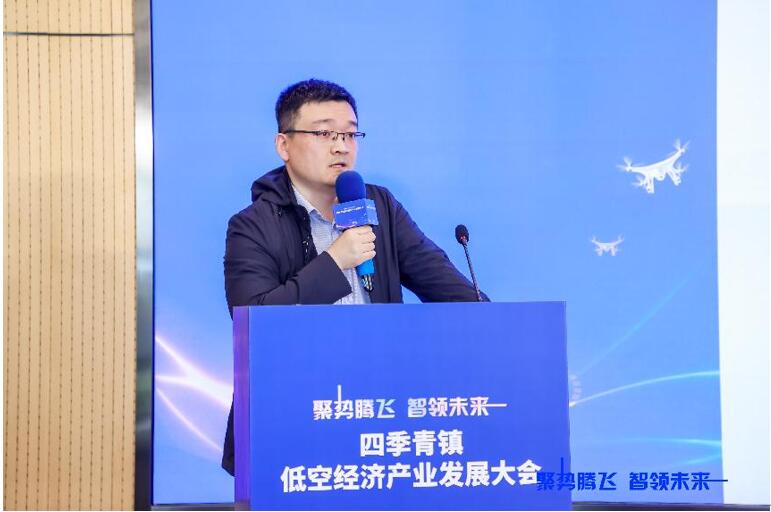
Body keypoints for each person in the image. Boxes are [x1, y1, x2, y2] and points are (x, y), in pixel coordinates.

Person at [221, 79, 486, 476]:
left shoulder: (379, 206)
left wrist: (497, 331)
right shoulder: (251, 226)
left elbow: (448, 288)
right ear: (284, 145)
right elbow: (254, 322)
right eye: (324, 133)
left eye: (349, 133)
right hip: (292, 420)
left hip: (377, 413)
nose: (341, 146)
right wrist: (334, 262)